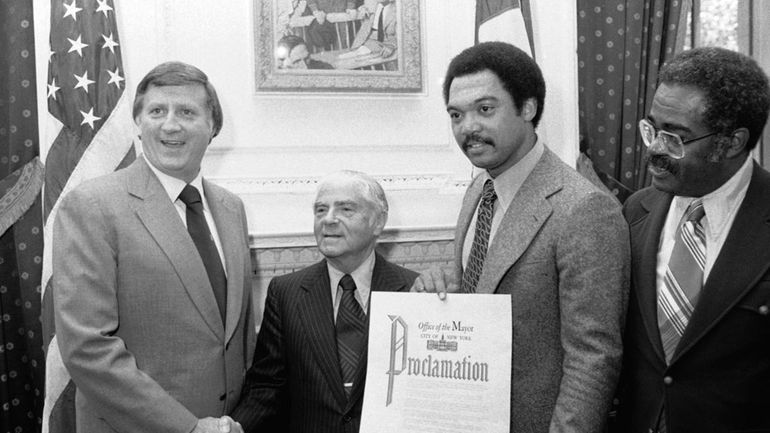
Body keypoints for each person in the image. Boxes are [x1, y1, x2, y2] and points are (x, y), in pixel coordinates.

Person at [414, 41, 630, 432]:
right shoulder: (479, 190)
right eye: (456, 114)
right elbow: (483, 299)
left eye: (485, 109)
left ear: (528, 108)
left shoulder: (584, 209)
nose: (468, 128)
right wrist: (441, 291)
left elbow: (593, 358)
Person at [53, 61, 255, 433]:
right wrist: (189, 428)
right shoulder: (92, 206)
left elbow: (238, 338)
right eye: (156, 111)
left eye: (187, 112)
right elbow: (87, 347)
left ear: (213, 128)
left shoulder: (231, 209)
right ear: (139, 124)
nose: (171, 124)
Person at [614, 47, 770, 432]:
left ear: (731, 142)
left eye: (675, 137)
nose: (653, 149)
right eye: (652, 128)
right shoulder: (636, 211)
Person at [228, 170, 418, 432]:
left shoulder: (414, 292)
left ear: (378, 222)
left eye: (346, 209)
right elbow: (267, 387)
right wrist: (233, 428)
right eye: (320, 210)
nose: (328, 220)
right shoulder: (285, 293)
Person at [349, 0, 397, 67]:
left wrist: (392, 46)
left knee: (389, 63)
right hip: (369, 39)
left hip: (388, 42)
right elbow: (361, 8)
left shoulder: (397, 8)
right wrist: (361, 9)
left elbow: (403, 33)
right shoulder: (372, 5)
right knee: (355, 59)